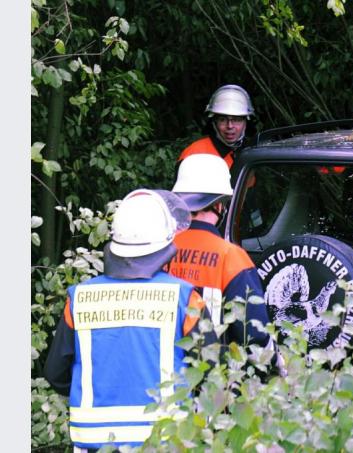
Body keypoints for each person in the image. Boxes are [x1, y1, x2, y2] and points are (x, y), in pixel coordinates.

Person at [43, 189, 217, 451]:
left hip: (94, 444)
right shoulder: (185, 298)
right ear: (165, 244)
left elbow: (55, 374)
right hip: (166, 440)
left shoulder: (80, 299)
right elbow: (212, 371)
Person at [167, 154, 284, 372]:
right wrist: (276, 364)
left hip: (163, 372)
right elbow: (254, 335)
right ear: (219, 205)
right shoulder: (232, 257)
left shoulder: (157, 250)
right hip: (213, 382)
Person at [177, 84, 255, 168]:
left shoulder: (251, 153)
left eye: (236, 120)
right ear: (214, 122)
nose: (230, 126)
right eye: (223, 120)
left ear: (246, 122)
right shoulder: (195, 154)